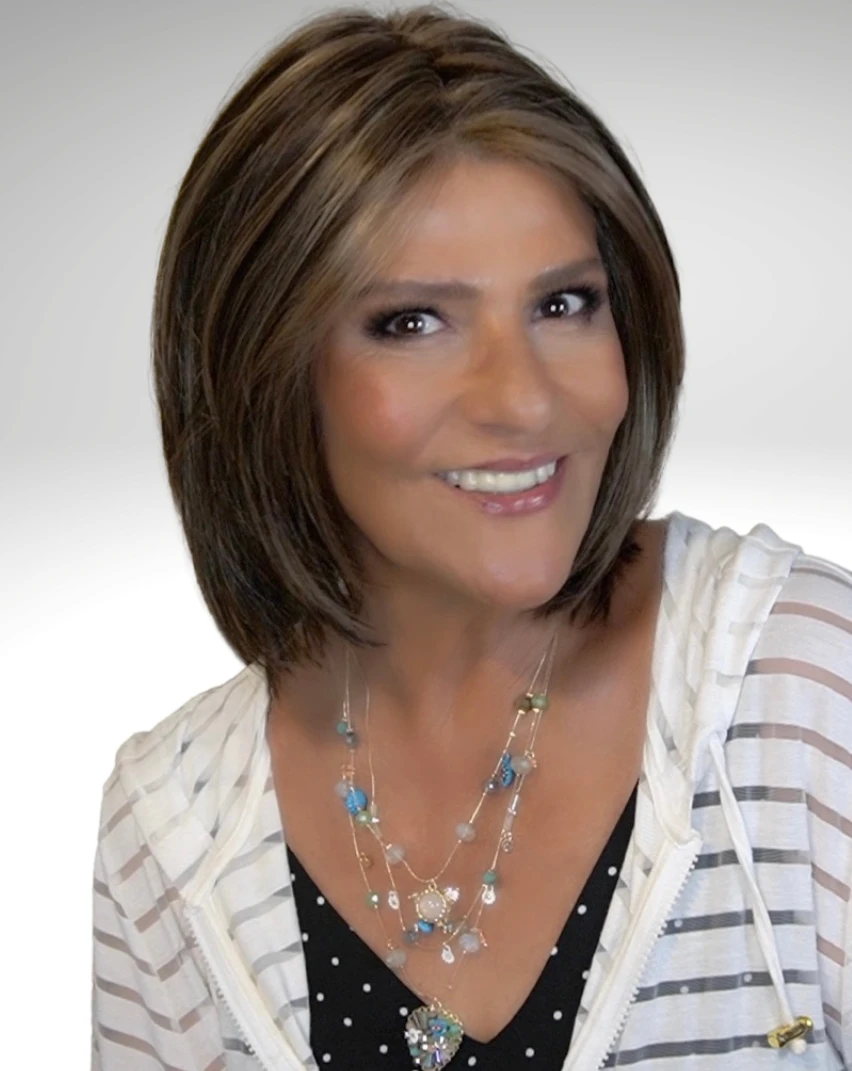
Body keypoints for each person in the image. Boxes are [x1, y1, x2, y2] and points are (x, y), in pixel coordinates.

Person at [90, 5, 851, 1069]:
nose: (524, 400)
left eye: (565, 304)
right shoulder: (171, 826)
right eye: (413, 322)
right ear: (266, 370)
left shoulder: (806, 691)